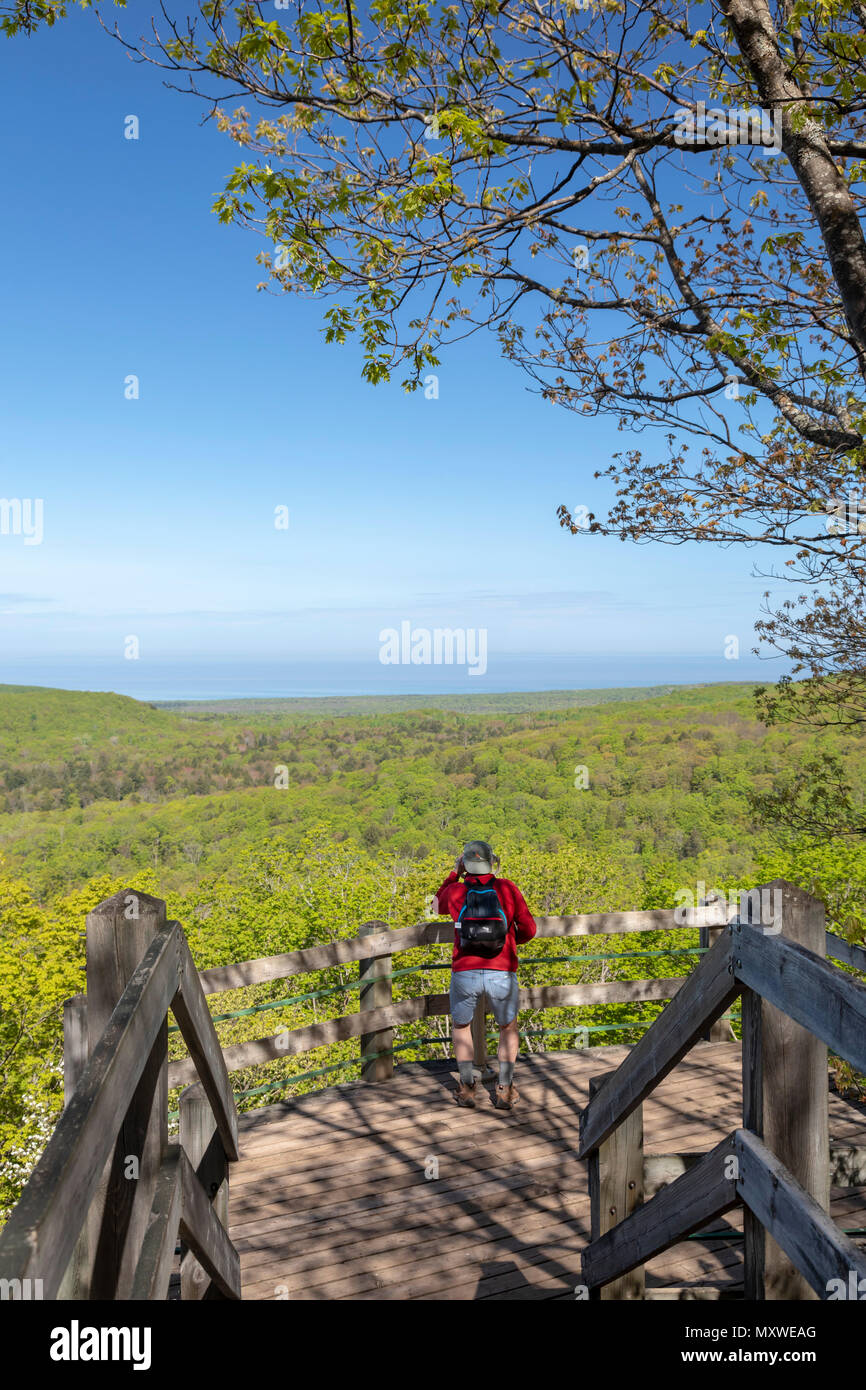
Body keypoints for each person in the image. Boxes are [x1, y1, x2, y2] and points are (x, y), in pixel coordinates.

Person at [433, 840, 537, 1110]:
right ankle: (504, 1088)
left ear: (466, 865)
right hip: (501, 971)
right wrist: (510, 942)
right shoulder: (507, 888)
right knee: (508, 1028)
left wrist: (454, 874)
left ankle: (467, 1088)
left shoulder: (456, 891)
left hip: (465, 971)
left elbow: (435, 904)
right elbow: (529, 929)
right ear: (492, 863)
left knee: (461, 1026)